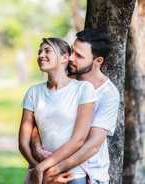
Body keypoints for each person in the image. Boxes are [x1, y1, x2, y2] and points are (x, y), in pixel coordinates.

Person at [30, 28, 120, 184]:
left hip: (88, 175)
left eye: (79, 55)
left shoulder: (108, 94)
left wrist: (51, 172)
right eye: (72, 51)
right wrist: (38, 154)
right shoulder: (62, 81)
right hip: (49, 166)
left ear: (98, 61)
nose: (70, 57)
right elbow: (38, 123)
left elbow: (92, 145)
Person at [18, 37, 97, 184]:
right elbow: (23, 143)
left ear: (64, 58)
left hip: (72, 175)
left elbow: (78, 140)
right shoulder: (33, 92)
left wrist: (45, 168)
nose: (41, 55)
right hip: (40, 175)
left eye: (47, 51)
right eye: (39, 52)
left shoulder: (83, 89)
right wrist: (40, 171)